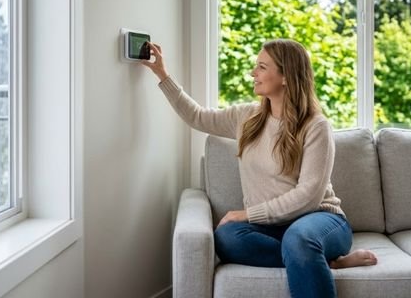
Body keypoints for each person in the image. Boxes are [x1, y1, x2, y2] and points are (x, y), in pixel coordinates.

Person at [141, 38, 377, 298]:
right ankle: (322, 263)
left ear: (286, 76)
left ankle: (309, 254)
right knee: (226, 237)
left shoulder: (315, 126)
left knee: (299, 239)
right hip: (273, 229)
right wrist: (162, 74)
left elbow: (308, 196)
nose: (254, 73)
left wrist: (248, 214)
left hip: (320, 220)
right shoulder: (247, 117)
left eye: (262, 67)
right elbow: (197, 116)